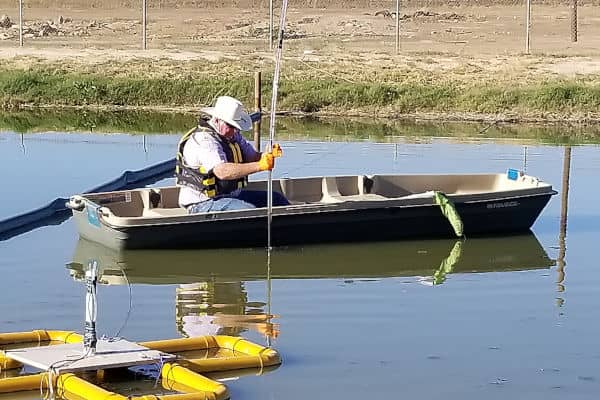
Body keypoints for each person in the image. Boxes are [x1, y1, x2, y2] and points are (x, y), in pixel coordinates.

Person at [176, 95, 290, 213]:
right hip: (202, 203)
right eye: (230, 126)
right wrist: (260, 166)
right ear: (216, 120)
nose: (234, 131)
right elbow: (222, 171)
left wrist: (268, 155)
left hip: (232, 196)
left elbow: (252, 157)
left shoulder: (233, 135)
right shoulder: (204, 140)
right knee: (249, 212)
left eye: (237, 127)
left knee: (276, 199)